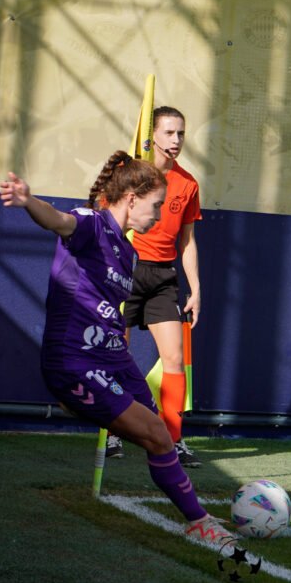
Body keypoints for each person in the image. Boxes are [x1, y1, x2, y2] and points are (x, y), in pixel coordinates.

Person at [0, 150, 235, 549]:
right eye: (156, 206)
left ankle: (196, 513)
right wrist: (27, 201)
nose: (159, 217)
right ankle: (198, 521)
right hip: (75, 361)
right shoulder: (91, 224)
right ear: (132, 198)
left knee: (158, 434)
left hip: (113, 358)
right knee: (158, 434)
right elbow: (58, 220)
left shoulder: (129, 253)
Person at [106, 106, 204, 467]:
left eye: (181, 133)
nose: (176, 140)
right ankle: (113, 432)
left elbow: (187, 241)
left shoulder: (188, 183)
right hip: (127, 269)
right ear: (153, 136)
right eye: (169, 133)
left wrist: (196, 288)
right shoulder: (129, 175)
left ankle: (172, 439)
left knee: (175, 358)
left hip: (163, 277)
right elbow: (106, 221)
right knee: (117, 352)